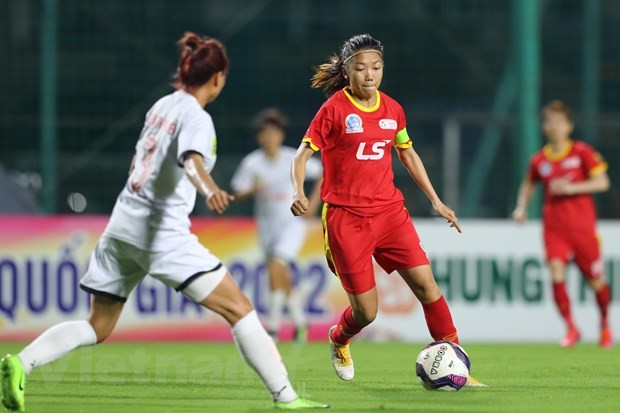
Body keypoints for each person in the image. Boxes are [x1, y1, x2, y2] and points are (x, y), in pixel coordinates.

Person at [0, 32, 328, 412]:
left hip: (122, 225)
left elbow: (141, 160)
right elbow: (191, 160)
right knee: (239, 309)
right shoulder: (196, 117)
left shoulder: (161, 106)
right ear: (218, 78)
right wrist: (209, 190)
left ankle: (19, 364)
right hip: (160, 234)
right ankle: (286, 397)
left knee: (97, 326)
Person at [290, 33, 484, 386]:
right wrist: (298, 190)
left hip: (390, 214)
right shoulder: (334, 109)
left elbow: (406, 152)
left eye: (376, 67)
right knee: (367, 312)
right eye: (361, 68)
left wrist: (436, 200)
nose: (370, 75)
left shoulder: (392, 109)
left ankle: (457, 364)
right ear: (347, 71)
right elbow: (303, 153)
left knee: (427, 286)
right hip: (346, 218)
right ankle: (339, 338)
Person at [513, 100, 612, 349]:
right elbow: (528, 185)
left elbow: (602, 183)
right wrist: (521, 208)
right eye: (549, 122)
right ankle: (571, 327)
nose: (554, 126)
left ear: (569, 125)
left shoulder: (582, 153)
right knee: (556, 273)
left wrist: (572, 187)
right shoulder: (539, 160)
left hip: (582, 229)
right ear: (544, 127)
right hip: (554, 229)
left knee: (595, 281)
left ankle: (605, 324)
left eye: (559, 122)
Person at [231, 108, 323, 342]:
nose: (269, 138)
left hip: (293, 223)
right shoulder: (252, 163)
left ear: (280, 135)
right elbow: (237, 192)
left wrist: (312, 204)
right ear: (259, 137)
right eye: (264, 134)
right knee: (279, 272)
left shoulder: (292, 158)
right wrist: (253, 190)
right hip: (267, 226)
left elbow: (321, 172)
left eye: (273, 133)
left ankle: (272, 328)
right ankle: (301, 322)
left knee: (275, 266)